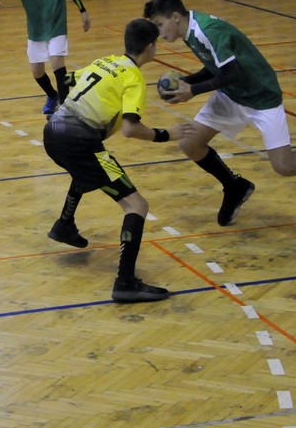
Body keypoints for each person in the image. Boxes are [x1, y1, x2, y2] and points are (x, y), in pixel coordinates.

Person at [143, 0, 296, 227]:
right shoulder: (189, 31)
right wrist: (187, 81)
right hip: (232, 94)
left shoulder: (206, 30)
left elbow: (232, 72)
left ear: (175, 17)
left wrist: (192, 90)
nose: (159, 33)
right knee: (189, 143)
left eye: (160, 25)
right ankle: (234, 186)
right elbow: (217, 66)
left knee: (285, 166)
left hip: (261, 96)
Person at [42, 18, 188, 303]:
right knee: (137, 205)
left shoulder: (105, 61)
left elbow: (68, 79)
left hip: (53, 132)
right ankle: (125, 283)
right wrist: (167, 134)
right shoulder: (134, 79)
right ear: (150, 47)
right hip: (81, 143)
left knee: (88, 170)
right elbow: (131, 129)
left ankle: (64, 225)